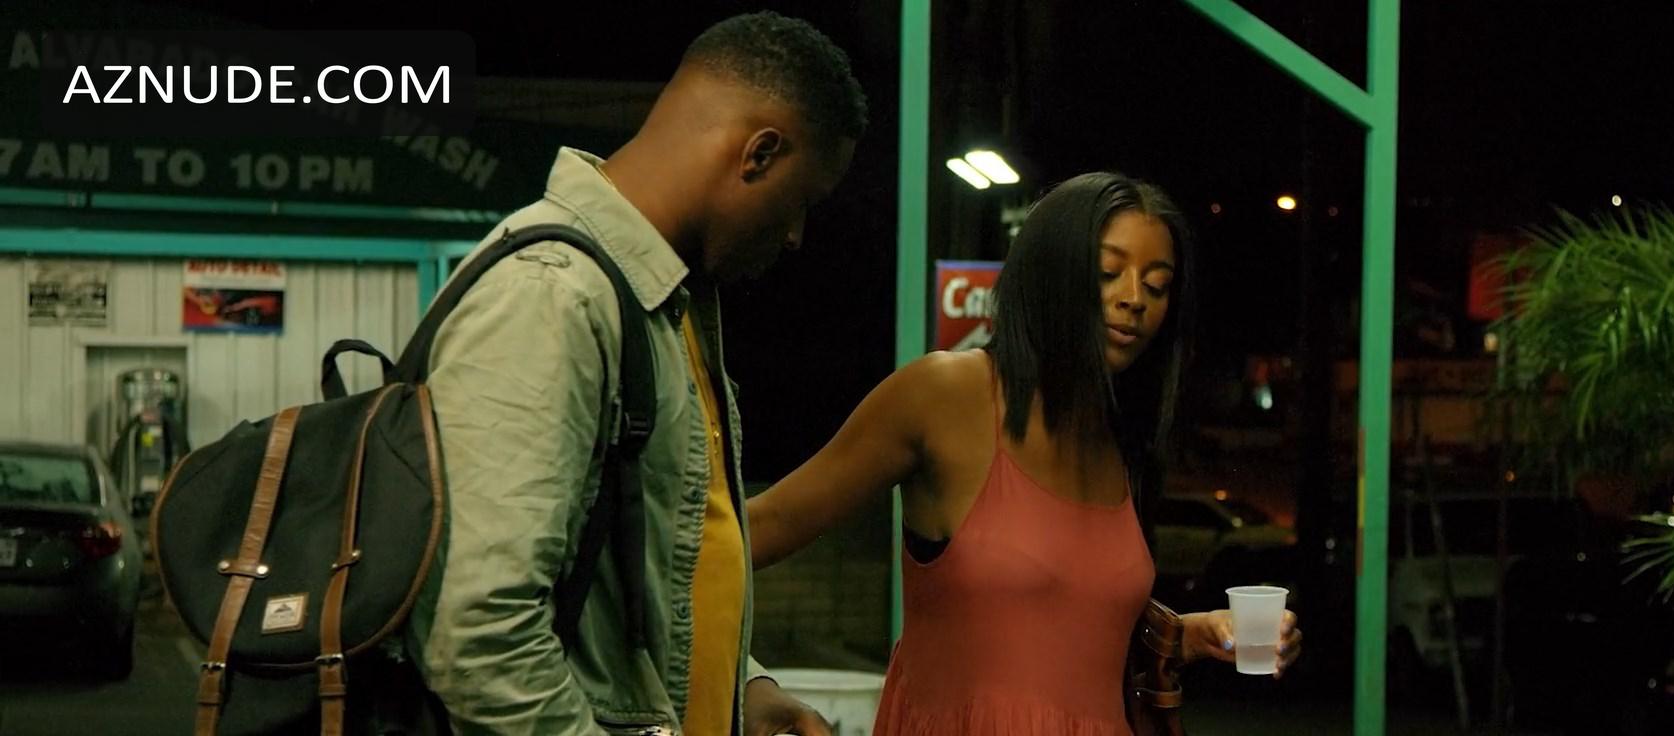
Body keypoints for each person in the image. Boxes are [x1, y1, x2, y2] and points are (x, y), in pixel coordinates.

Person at [407, 12, 866, 736]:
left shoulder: (658, 305)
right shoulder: (552, 296)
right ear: (759, 153)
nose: (794, 235)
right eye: (801, 201)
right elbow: (479, 636)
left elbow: (645, 584)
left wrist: (742, 689)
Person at [747, 172, 1303, 735]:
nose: (1134, 298)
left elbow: (1068, 623)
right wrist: (747, 683)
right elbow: (754, 531)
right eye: (1107, 272)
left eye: (1157, 285)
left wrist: (1190, 634)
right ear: (1046, 273)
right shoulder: (946, 395)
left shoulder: (1119, 436)